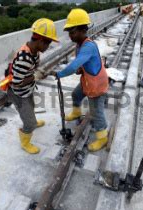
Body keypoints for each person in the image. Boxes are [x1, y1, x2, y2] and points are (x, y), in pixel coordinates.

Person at [51, 9, 109, 152]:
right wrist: (81, 70)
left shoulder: (88, 46)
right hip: (88, 80)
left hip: (96, 84)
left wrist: (60, 74)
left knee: (96, 113)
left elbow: (73, 66)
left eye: (73, 32)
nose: (70, 35)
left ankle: (102, 137)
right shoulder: (79, 45)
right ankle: (77, 112)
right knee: (76, 95)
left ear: (83, 30)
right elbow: (83, 64)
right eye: (69, 32)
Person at [0, 18, 59, 154]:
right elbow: (17, 82)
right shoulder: (24, 59)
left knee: (31, 107)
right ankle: (25, 141)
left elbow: (31, 70)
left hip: (27, 89)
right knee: (28, 120)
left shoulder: (34, 52)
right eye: (48, 44)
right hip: (19, 93)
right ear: (40, 41)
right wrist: (36, 76)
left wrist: (37, 73)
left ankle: (32, 120)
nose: (48, 47)